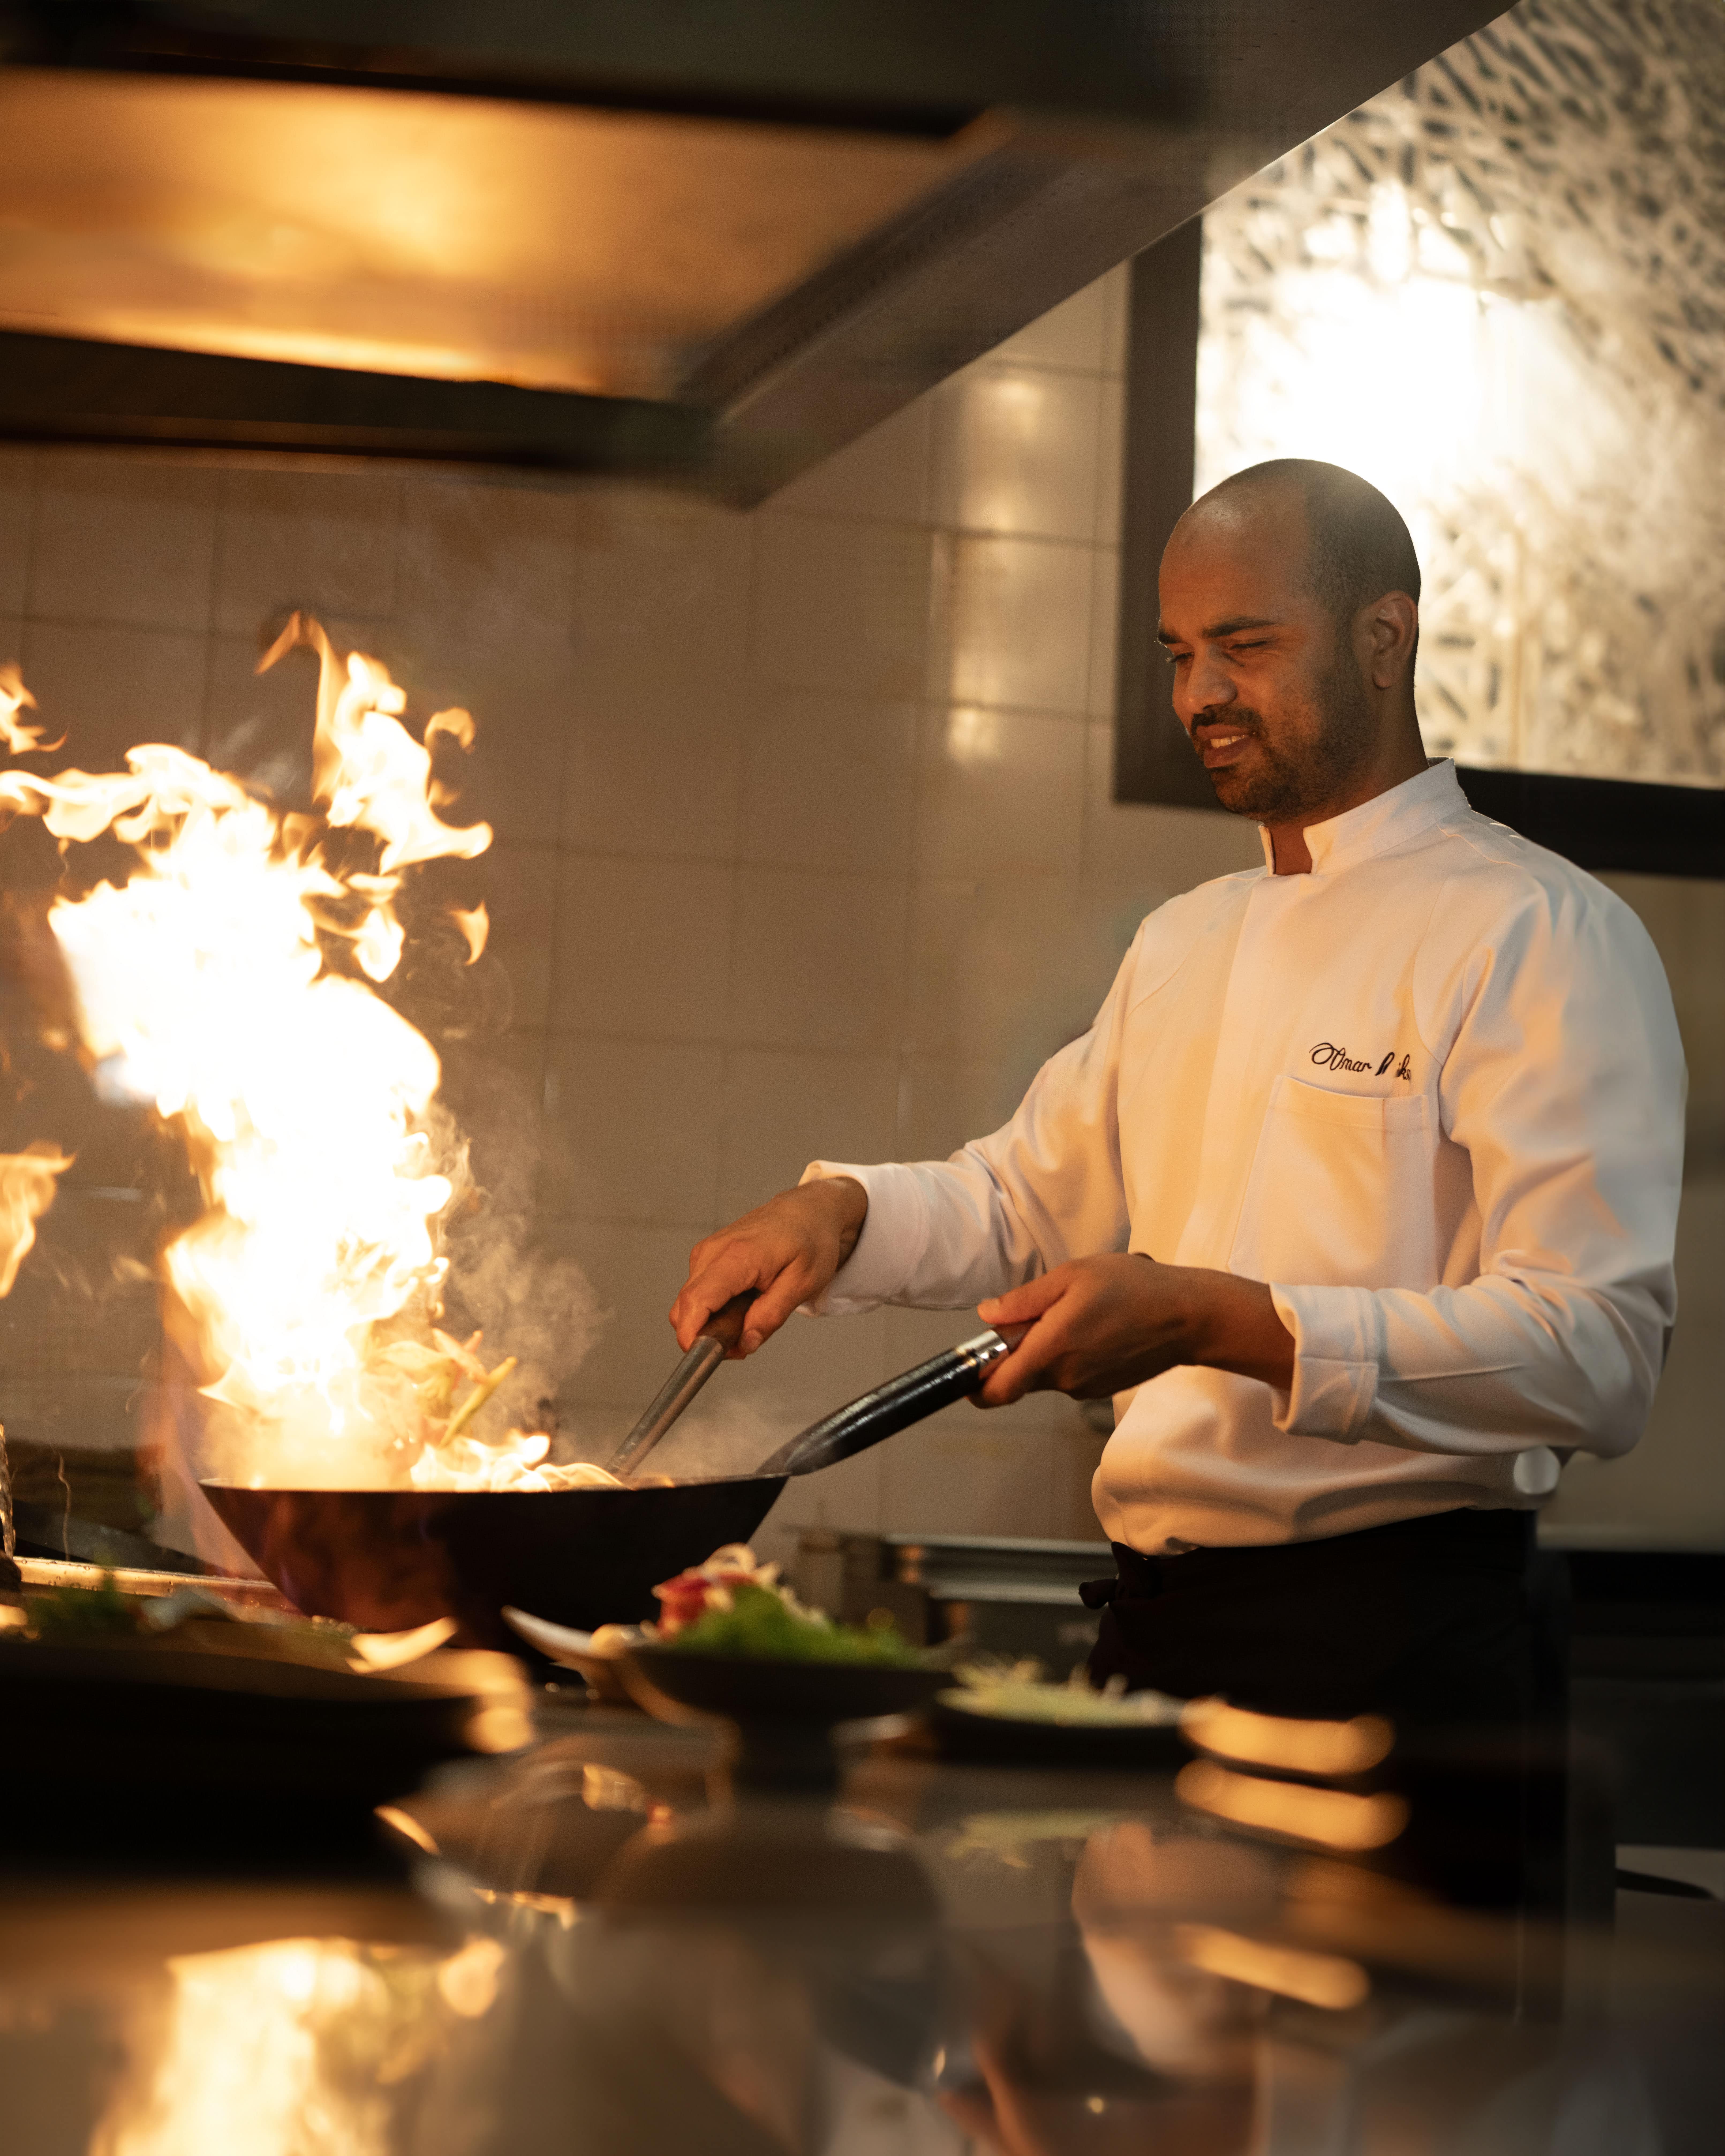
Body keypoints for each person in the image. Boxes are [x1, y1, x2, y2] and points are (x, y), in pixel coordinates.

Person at [670, 459, 1684, 1766]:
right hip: (1154, 1644)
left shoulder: (1540, 933)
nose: (1199, 696)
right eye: (1180, 653)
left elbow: (1595, 1351)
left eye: (1245, 647)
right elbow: (1023, 1201)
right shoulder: (1187, 939)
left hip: (1391, 1655)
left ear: (1386, 638)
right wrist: (840, 1210)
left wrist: (1220, 1318)